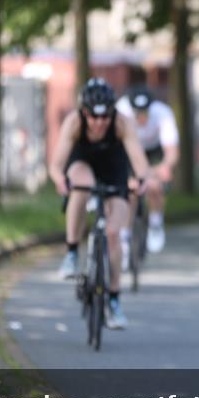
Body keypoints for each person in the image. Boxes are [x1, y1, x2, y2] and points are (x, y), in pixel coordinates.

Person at [49, 78, 149, 329]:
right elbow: (56, 165)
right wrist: (60, 180)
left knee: (114, 233)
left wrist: (140, 180)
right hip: (82, 166)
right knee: (80, 184)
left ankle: (114, 301)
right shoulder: (74, 123)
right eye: (94, 117)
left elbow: (139, 161)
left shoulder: (121, 124)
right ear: (85, 112)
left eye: (105, 117)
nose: (100, 123)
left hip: (114, 171)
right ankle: (72, 252)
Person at [115, 82, 180, 254]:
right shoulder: (120, 111)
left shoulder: (163, 113)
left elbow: (171, 151)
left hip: (153, 149)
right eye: (138, 113)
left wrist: (166, 166)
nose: (141, 117)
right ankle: (125, 234)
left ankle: (156, 223)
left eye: (145, 113)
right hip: (128, 148)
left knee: (154, 186)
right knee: (130, 191)